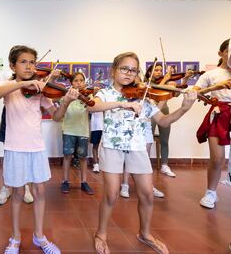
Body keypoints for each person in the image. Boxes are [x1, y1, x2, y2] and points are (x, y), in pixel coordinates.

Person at [89, 51, 196, 254]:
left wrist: (184, 108)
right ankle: (101, 234)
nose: (129, 74)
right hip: (112, 146)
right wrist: (122, 103)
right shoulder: (105, 93)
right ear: (114, 70)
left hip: (137, 147)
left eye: (133, 70)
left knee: (147, 194)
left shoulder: (143, 96)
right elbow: (92, 107)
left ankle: (145, 234)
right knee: (111, 193)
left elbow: (163, 121)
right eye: (124, 69)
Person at [0, 45, 79, 254]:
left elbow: (56, 117)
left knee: (39, 192)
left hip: (37, 147)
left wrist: (65, 102)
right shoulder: (10, 87)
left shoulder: (41, 91)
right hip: (14, 147)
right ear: (13, 65)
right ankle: (15, 238)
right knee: (18, 193)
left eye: (32, 62)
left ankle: (39, 237)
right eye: (23, 62)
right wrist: (26, 82)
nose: (29, 66)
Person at [194, 39, 231, 209]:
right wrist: (216, 87)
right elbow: (194, 93)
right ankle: (211, 193)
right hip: (219, 113)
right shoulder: (211, 74)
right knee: (217, 158)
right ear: (221, 53)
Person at [59, 72, 94, 195]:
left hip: (82, 130)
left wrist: (89, 99)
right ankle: (65, 181)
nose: (79, 83)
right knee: (67, 156)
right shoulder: (66, 96)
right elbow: (60, 110)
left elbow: (93, 107)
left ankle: (84, 182)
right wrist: (68, 99)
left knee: (83, 157)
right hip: (68, 130)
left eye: (81, 80)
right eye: (76, 81)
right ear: (71, 83)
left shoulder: (88, 96)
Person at [0, 106, 34, 206]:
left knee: (26, 154)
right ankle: (6, 188)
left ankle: (25, 186)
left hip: (26, 113)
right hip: (10, 111)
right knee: (8, 155)